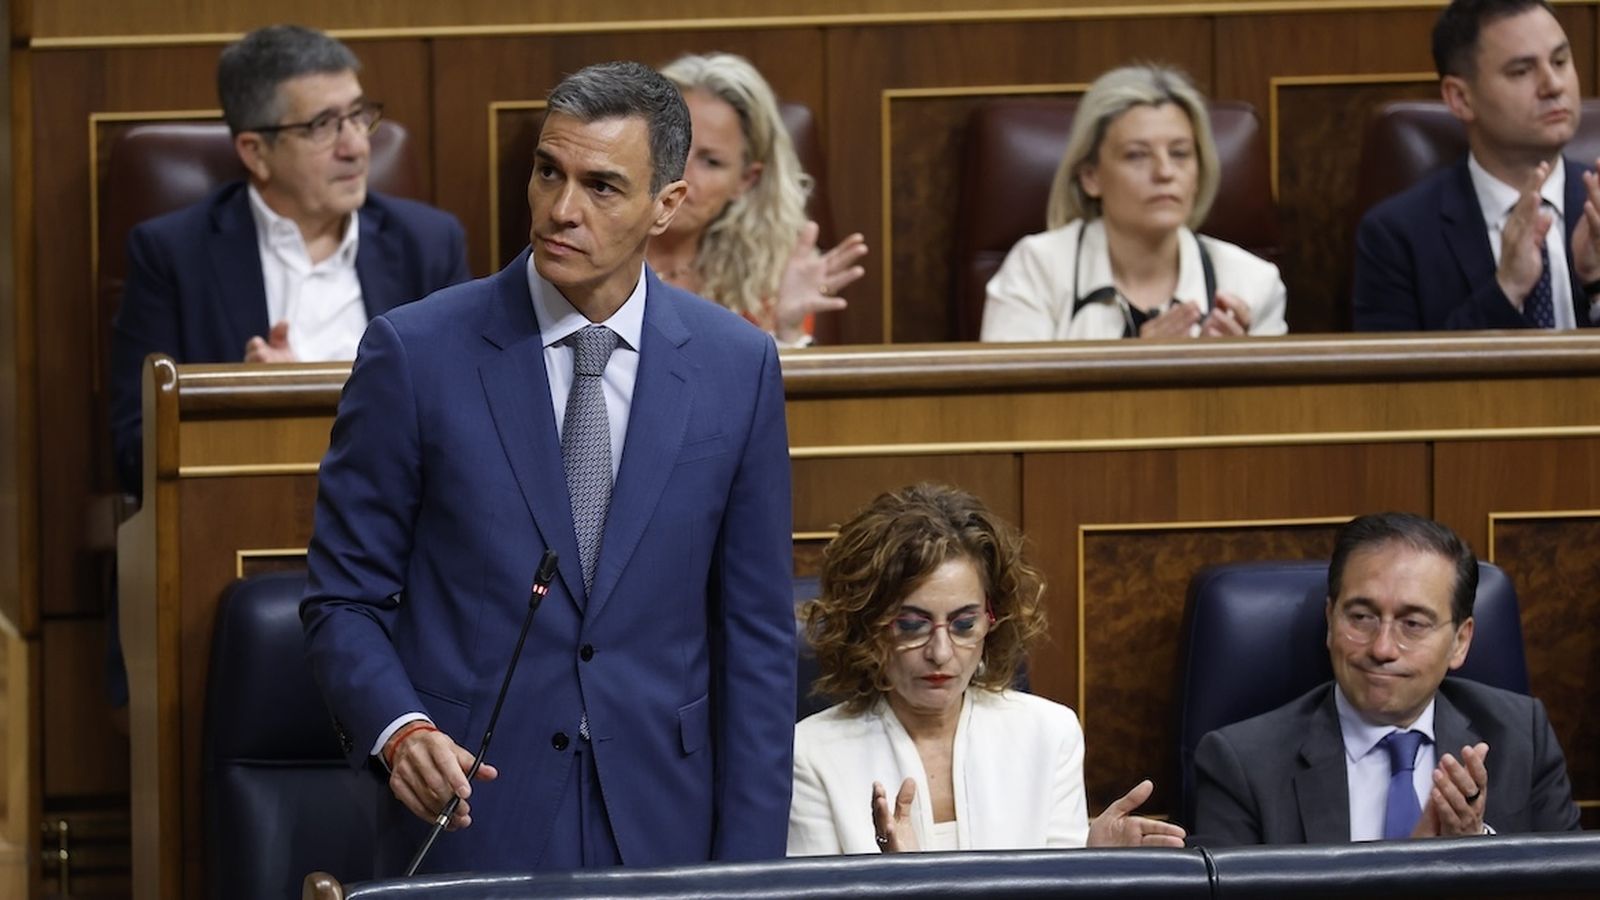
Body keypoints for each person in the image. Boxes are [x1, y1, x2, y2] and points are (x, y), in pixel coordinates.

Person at [300, 61, 796, 874]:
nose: (562, 210)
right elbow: (342, 599)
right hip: (473, 816)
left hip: (665, 824)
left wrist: (749, 873)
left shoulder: (735, 366)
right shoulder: (415, 354)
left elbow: (757, 640)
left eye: (602, 186)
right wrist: (401, 731)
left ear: (666, 204)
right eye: (547, 173)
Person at [109, 24, 469, 497]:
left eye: (358, 116)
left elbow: (470, 419)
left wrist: (302, 397)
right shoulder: (173, 256)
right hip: (250, 522)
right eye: (324, 125)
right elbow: (135, 450)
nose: (357, 146)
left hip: (402, 523)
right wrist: (251, 407)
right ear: (256, 153)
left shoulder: (429, 244)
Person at [787, 483, 1184, 854]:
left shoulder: (1049, 734)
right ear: (868, 625)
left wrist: (1092, 866)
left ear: (993, 621)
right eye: (911, 625)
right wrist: (895, 880)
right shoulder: (810, 754)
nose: (941, 652)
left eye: (963, 624)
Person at [1193, 512, 1581, 845]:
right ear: (1330, 621)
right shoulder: (1242, 765)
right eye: (1361, 617)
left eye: (1413, 624)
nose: (1382, 648)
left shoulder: (1520, 738)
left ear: (1460, 642)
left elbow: (1568, 886)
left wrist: (1474, 851)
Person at [980, 64, 1286, 341]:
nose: (1165, 172)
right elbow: (1007, 403)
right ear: (1091, 177)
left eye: (1180, 153)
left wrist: (1237, 372)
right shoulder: (1037, 269)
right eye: (1137, 155)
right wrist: (1136, 366)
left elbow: (1279, 403)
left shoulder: (1252, 282)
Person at [1353, 0, 1600, 331]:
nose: (1553, 85)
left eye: (1560, 61)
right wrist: (1506, 289)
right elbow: (1393, 382)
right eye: (1521, 71)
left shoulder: (1595, 207)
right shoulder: (1396, 237)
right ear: (1460, 98)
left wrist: (1597, 285)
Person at [647, 52, 867, 348]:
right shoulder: (592, 250)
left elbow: (772, 391)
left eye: (711, 162)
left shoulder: (769, 275)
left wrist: (788, 331)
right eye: (672, 149)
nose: (682, 176)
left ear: (745, 180)